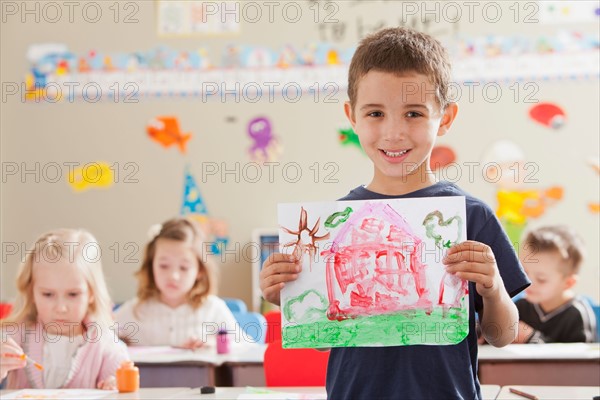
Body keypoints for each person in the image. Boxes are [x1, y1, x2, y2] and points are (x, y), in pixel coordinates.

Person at [259, 27, 530, 399]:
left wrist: (494, 288)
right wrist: (289, 300)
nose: (394, 132)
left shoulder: (472, 215)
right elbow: (325, 343)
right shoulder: (332, 224)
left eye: (414, 113)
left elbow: (502, 336)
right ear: (351, 117)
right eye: (375, 113)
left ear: (446, 118)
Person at [0, 229, 128, 389]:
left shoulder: (106, 345)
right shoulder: (14, 336)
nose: (61, 308)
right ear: (31, 292)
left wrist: (117, 386)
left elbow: (124, 386)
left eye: (73, 294)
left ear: (91, 293)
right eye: (48, 294)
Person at [114, 217, 238, 349]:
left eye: (184, 267)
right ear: (151, 266)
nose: (173, 276)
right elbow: (101, 340)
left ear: (200, 270)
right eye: (164, 266)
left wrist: (216, 343)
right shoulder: (134, 310)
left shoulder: (213, 309)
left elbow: (247, 347)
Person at [514, 225, 597, 343]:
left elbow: (579, 359)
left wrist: (532, 338)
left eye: (541, 279)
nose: (527, 282)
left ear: (568, 283)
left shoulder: (577, 314)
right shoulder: (520, 306)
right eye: (523, 272)